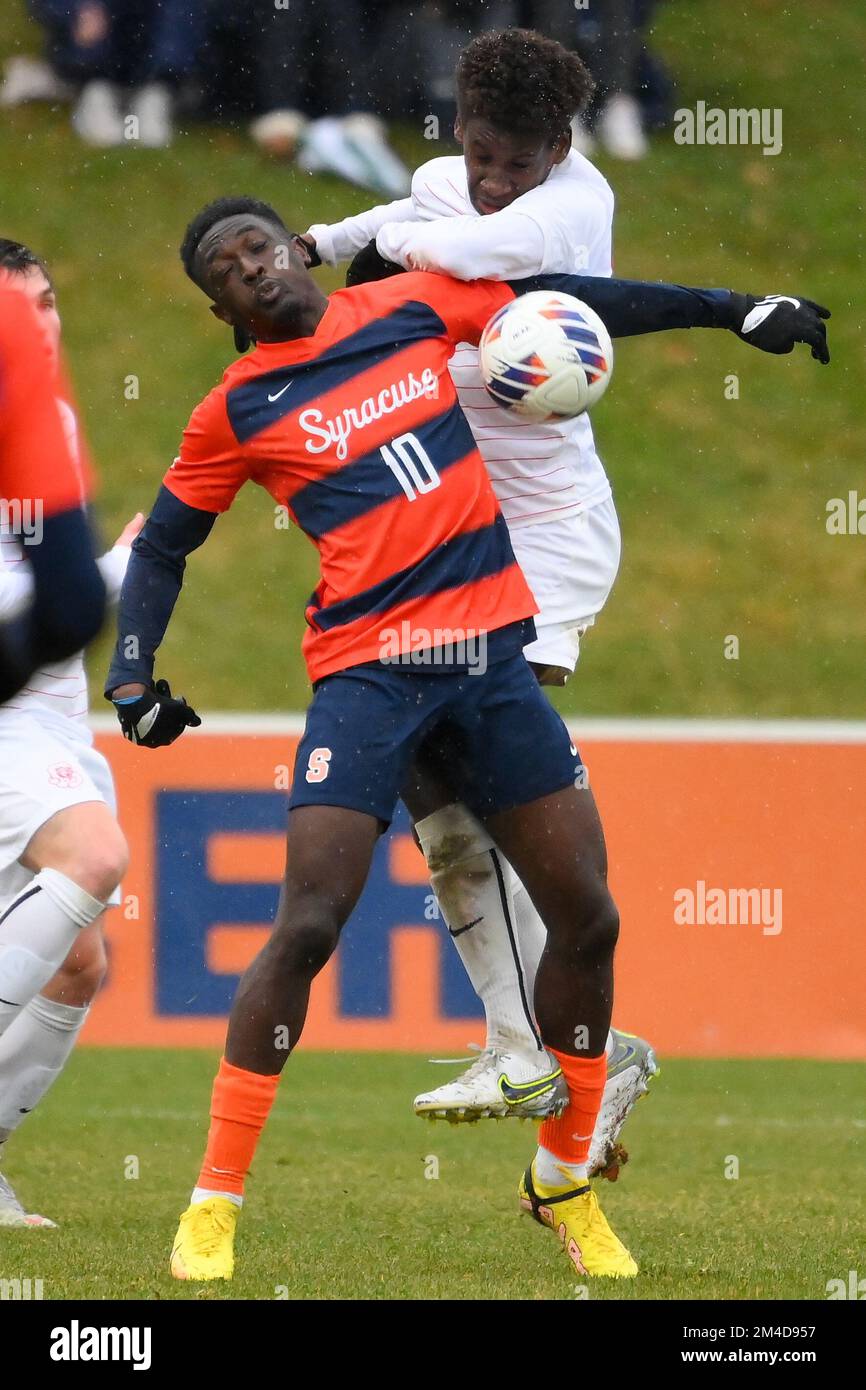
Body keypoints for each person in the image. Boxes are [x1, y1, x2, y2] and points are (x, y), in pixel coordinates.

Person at [102, 195, 828, 1282]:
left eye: (258, 242)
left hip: (488, 664)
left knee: (588, 915)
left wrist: (731, 309)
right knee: (306, 921)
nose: (250, 265)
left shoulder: (407, 303)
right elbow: (162, 545)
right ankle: (213, 1202)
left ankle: (561, 1180)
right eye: (225, 266)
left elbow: (565, 302)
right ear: (220, 305)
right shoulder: (236, 411)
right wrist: (131, 675)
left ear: (293, 249)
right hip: (365, 677)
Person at [303, 29, 658, 1164]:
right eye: (483, 154)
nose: (498, 176)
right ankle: (542, 1047)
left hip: (546, 533)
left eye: (522, 160)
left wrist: (365, 241)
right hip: (449, 526)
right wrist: (325, 240)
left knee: (473, 743)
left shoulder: (563, 204)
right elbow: (419, 219)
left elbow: (462, 247)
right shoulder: (444, 180)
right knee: (428, 775)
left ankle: (554, 1048)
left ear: (561, 146)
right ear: (459, 125)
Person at [0, 239, 140, 1227]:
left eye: (51, 303)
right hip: (10, 711)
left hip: (51, 710)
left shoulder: (45, 414)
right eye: (23, 310)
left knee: (82, 961)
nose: (44, 325)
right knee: (94, 855)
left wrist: (128, 560)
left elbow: (51, 598)